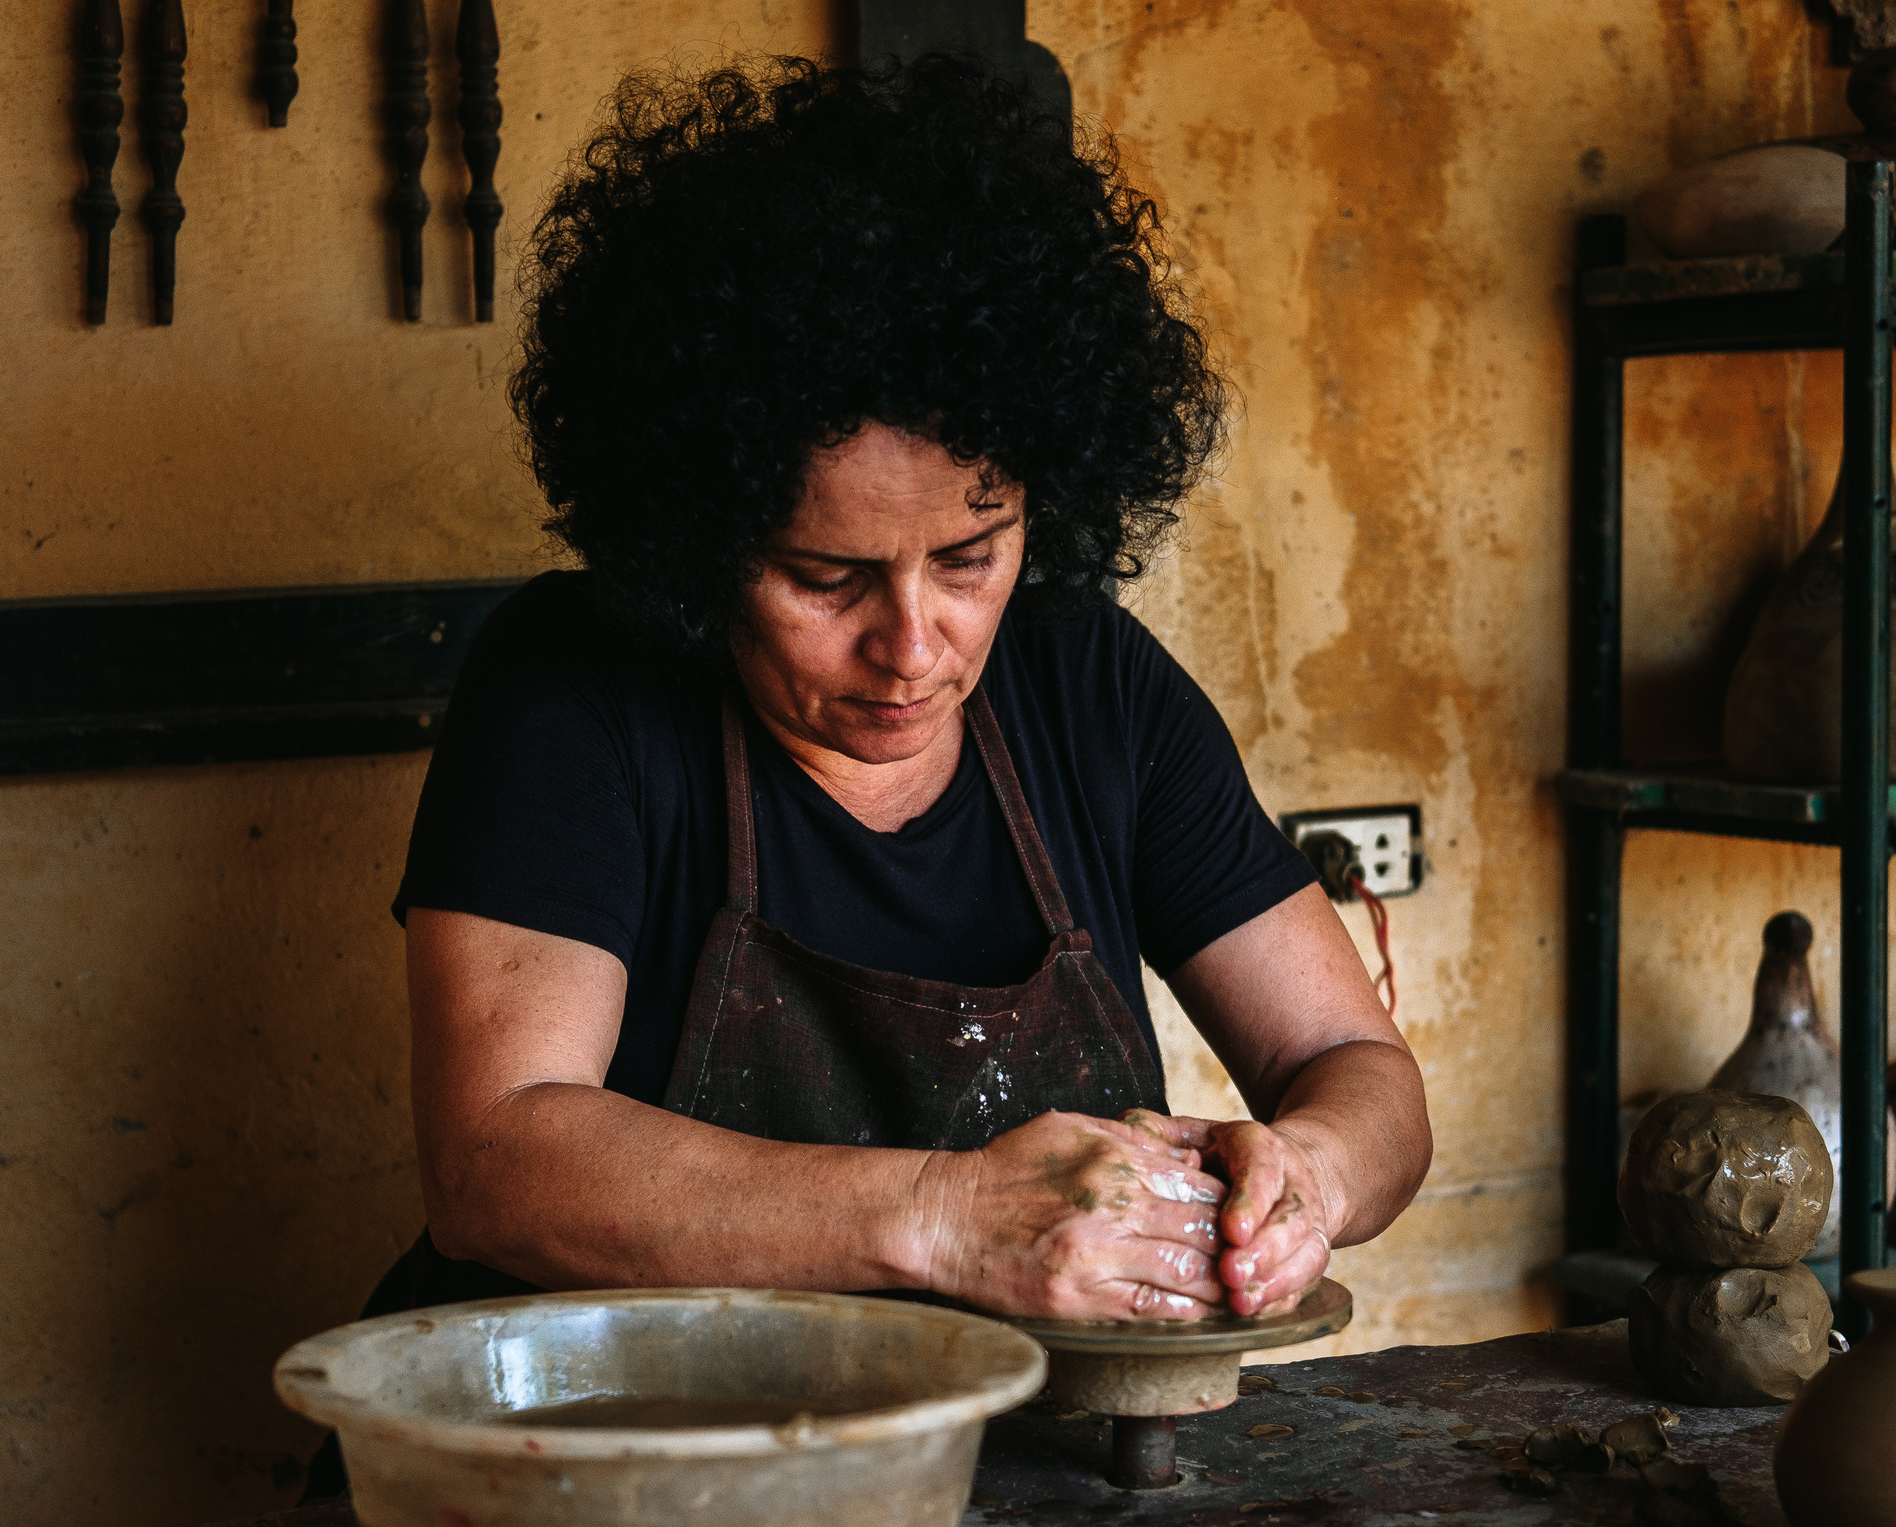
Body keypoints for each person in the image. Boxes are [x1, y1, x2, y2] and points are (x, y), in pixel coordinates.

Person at [349, 53, 1430, 1369]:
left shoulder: (1096, 688)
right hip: (612, 1464)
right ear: (701, 541)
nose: (914, 645)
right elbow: (500, 1154)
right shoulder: (578, 688)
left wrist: (1308, 1176)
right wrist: (952, 1214)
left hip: (1008, 1470)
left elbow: (1356, 1070)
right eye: (825, 576)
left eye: (971, 559)